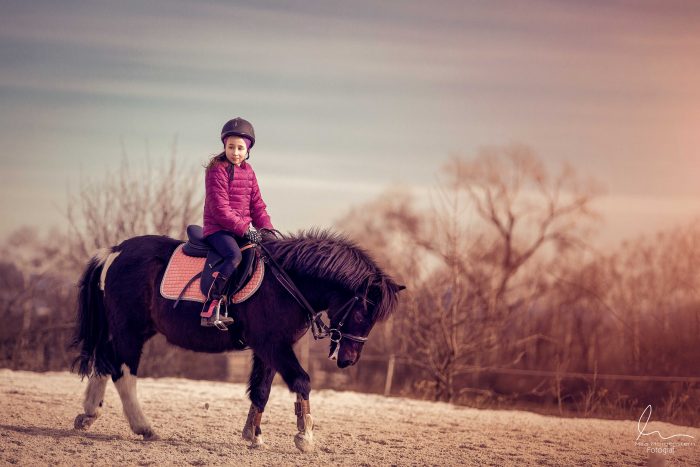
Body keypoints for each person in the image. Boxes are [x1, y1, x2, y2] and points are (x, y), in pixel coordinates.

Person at [200, 117, 274, 327]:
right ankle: (210, 307)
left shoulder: (249, 172)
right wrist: (245, 229)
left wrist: (267, 229)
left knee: (261, 255)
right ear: (224, 146)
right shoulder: (217, 169)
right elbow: (220, 209)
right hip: (218, 230)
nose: (235, 152)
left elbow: (257, 205)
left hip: (240, 230)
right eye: (231, 147)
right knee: (234, 256)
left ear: (248, 150)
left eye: (240, 148)